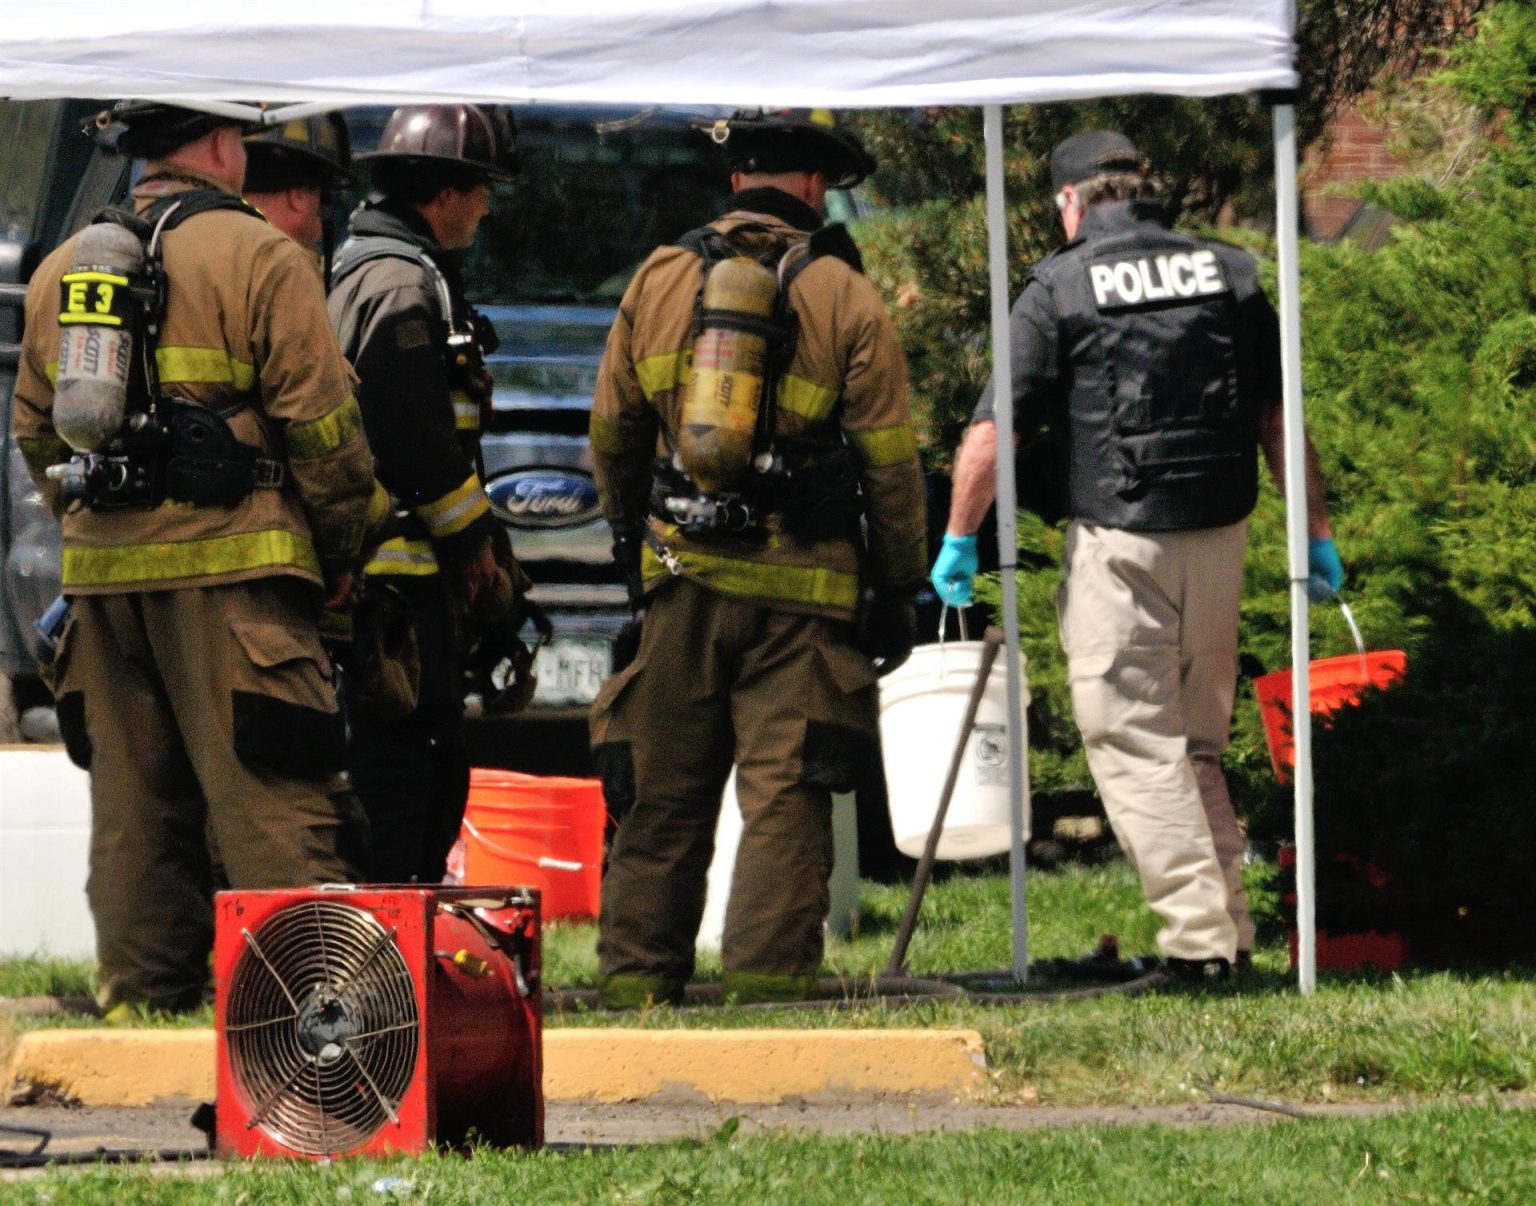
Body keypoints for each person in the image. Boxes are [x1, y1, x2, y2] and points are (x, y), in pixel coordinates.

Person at [931, 131, 1343, 983]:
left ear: (1071, 203)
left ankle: (1197, 947)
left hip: (1120, 543)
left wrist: (959, 536)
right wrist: (1316, 535)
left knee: (1130, 737)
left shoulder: (1060, 283)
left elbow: (992, 432)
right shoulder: (1229, 273)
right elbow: (1279, 421)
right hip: (1221, 535)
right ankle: (1228, 936)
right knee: (1194, 744)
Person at [10, 100, 386, 1017]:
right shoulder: (263, 256)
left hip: (105, 591)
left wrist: (93, 518)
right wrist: (340, 547)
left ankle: (143, 1009)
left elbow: (33, 430)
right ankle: (316, 1025)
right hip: (237, 585)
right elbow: (326, 431)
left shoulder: (64, 267)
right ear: (223, 145)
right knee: (277, 804)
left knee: (138, 819)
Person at [589, 109, 927, 1006]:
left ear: (736, 177)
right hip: (803, 600)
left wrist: (633, 543)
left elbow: (612, 433)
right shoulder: (844, 295)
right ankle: (768, 990)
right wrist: (900, 586)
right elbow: (891, 464)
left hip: (681, 577)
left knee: (660, 794)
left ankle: (632, 986)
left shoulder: (658, 278)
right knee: (785, 799)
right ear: (813, 186)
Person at [327, 104, 519, 884]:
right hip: (402, 590)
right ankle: (386, 956)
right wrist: (479, 553)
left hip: (394, 584)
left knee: (410, 778)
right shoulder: (405, 286)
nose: (485, 206)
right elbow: (416, 445)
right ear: (443, 193)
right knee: (409, 787)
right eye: (480, 188)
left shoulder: (374, 269)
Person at [243, 112, 354, 255]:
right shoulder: (290, 267)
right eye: (320, 208)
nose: (320, 230)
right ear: (299, 195)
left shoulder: (212, 242)